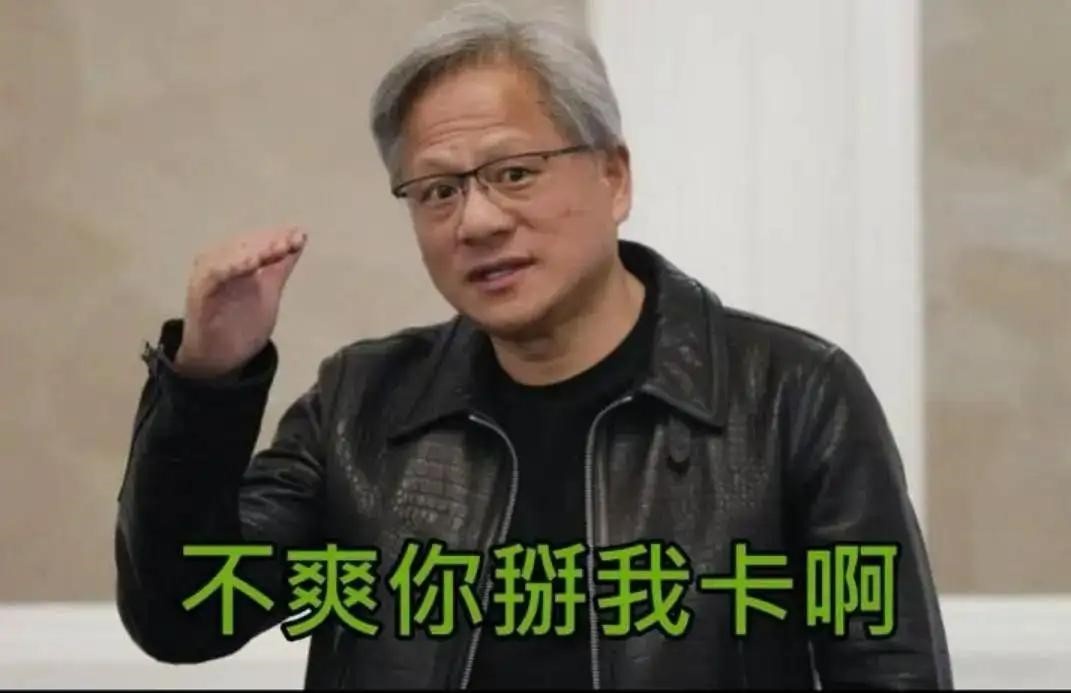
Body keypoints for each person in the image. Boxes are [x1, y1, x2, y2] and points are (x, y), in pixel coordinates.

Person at [114, 2, 953, 689]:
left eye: (513, 172)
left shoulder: (790, 395)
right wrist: (209, 380)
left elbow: (889, 669)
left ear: (613, 176)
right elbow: (184, 615)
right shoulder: (359, 406)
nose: (476, 220)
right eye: (437, 190)